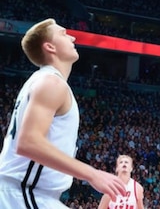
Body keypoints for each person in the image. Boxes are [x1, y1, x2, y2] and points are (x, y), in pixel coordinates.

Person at [0, 18, 126, 208]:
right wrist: (92, 174)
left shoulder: (46, 81)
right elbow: (28, 143)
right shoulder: (51, 82)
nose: (73, 37)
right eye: (63, 34)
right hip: (23, 192)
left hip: (30, 194)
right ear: (50, 47)